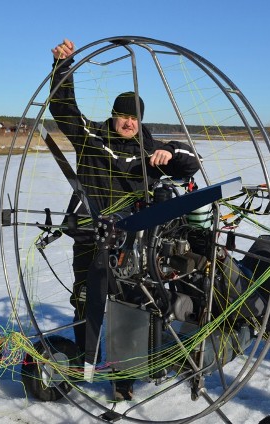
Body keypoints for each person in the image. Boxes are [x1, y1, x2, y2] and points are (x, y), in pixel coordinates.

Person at [48, 39, 201, 399]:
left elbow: (190, 162)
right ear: (113, 114)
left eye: (134, 117)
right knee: (87, 300)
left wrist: (170, 152)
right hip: (91, 235)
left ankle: (122, 380)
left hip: (135, 244)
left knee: (132, 305)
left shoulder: (150, 149)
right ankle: (84, 363)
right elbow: (62, 107)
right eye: (123, 115)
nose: (128, 122)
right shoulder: (91, 138)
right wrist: (61, 68)